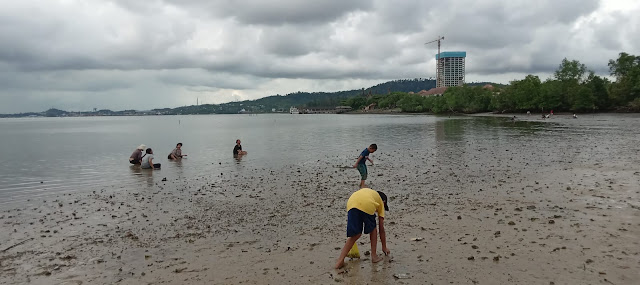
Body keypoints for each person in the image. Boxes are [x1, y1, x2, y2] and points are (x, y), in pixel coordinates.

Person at [335, 188, 390, 269]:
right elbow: (381, 228)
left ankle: (340, 261)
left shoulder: (369, 192)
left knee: (356, 234)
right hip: (367, 203)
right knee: (373, 230)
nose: (377, 211)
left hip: (352, 202)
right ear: (384, 202)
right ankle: (374, 256)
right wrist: (384, 247)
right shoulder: (380, 202)